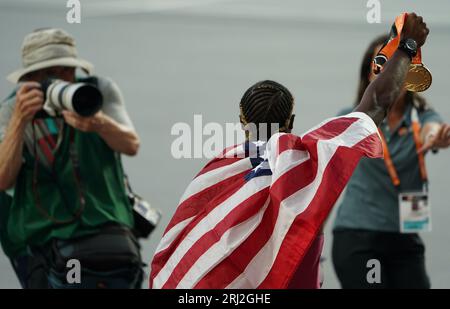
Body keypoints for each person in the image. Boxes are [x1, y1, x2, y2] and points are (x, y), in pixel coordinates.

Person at [149, 13, 431, 289]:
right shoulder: (306, 162)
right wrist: (406, 47)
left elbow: (180, 238)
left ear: (241, 123)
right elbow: (375, 105)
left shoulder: (217, 171)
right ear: (291, 122)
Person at [0, 28, 143, 288]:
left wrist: (99, 123)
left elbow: (131, 144)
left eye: (66, 71)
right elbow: (2, 179)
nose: (59, 82)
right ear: (28, 79)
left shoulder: (96, 92)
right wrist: (19, 122)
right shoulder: (13, 109)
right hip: (45, 242)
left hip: (106, 232)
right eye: (46, 75)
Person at [332, 33, 450, 289]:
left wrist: (438, 137)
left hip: (404, 239)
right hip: (357, 237)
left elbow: (433, 128)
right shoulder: (350, 120)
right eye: (379, 64)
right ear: (368, 75)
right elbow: (327, 178)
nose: (387, 72)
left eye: (395, 64)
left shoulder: (422, 117)